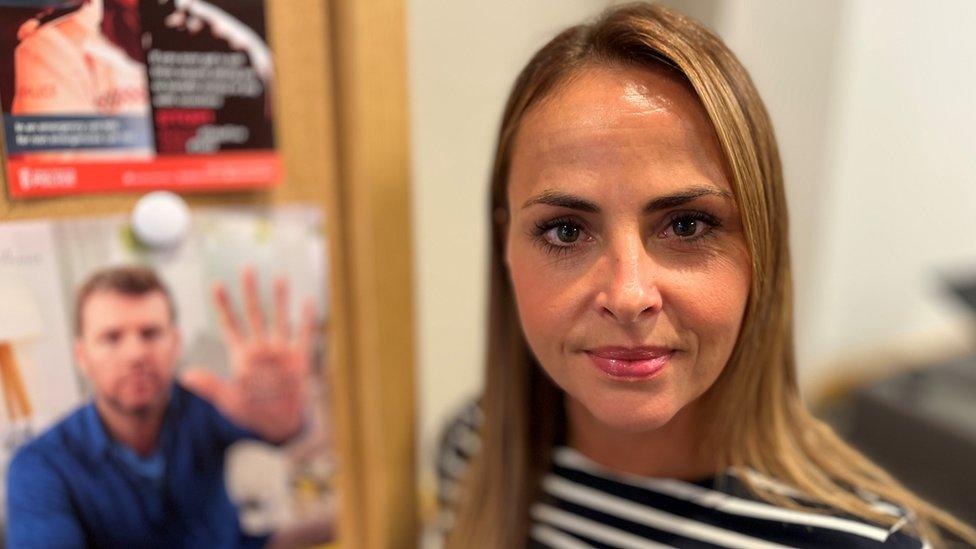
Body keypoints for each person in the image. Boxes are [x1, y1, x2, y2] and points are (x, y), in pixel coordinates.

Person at [437, 4, 976, 548]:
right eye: (566, 232)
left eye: (687, 225)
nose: (628, 296)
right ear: (504, 243)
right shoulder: (476, 450)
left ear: (761, 249)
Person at [5, 265, 317, 547]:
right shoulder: (40, 466)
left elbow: (279, 430)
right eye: (112, 337)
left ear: (175, 343)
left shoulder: (201, 406)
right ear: (82, 357)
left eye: (150, 333)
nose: (136, 353)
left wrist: (284, 420)